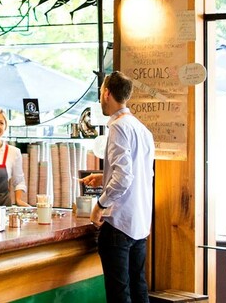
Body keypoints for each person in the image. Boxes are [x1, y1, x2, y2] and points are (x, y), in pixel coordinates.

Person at [79, 71, 154, 303]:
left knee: (119, 296)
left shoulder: (118, 127)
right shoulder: (142, 129)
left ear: (106, 93)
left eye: (101, 90)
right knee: (139, 290)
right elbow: (140, 173)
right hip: (139, 223)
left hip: (119, 224)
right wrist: (104, 177)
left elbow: (123, 177)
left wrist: (100, 206)